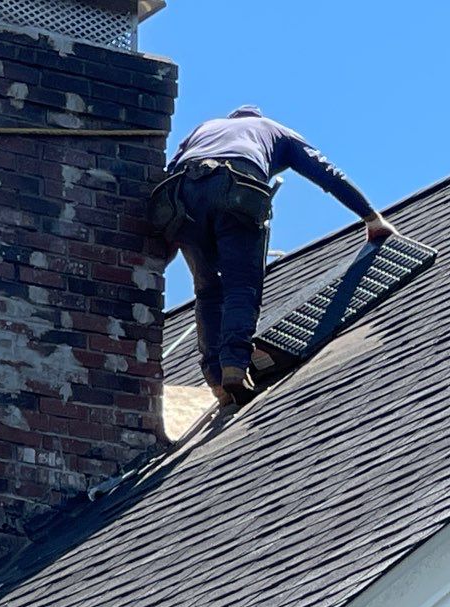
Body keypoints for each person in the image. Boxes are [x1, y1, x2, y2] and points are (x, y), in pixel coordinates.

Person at [154, 105, 399, 405]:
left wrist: (163, 244)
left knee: (207, 289)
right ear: (257, 121)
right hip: (236, 184)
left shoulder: (204, 129)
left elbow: (166, 174)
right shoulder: (275, 131)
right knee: (242, 282)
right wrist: (371, 217)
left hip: (181, 193)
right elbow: (325, 172)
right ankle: (235, 364)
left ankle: (216, 379)